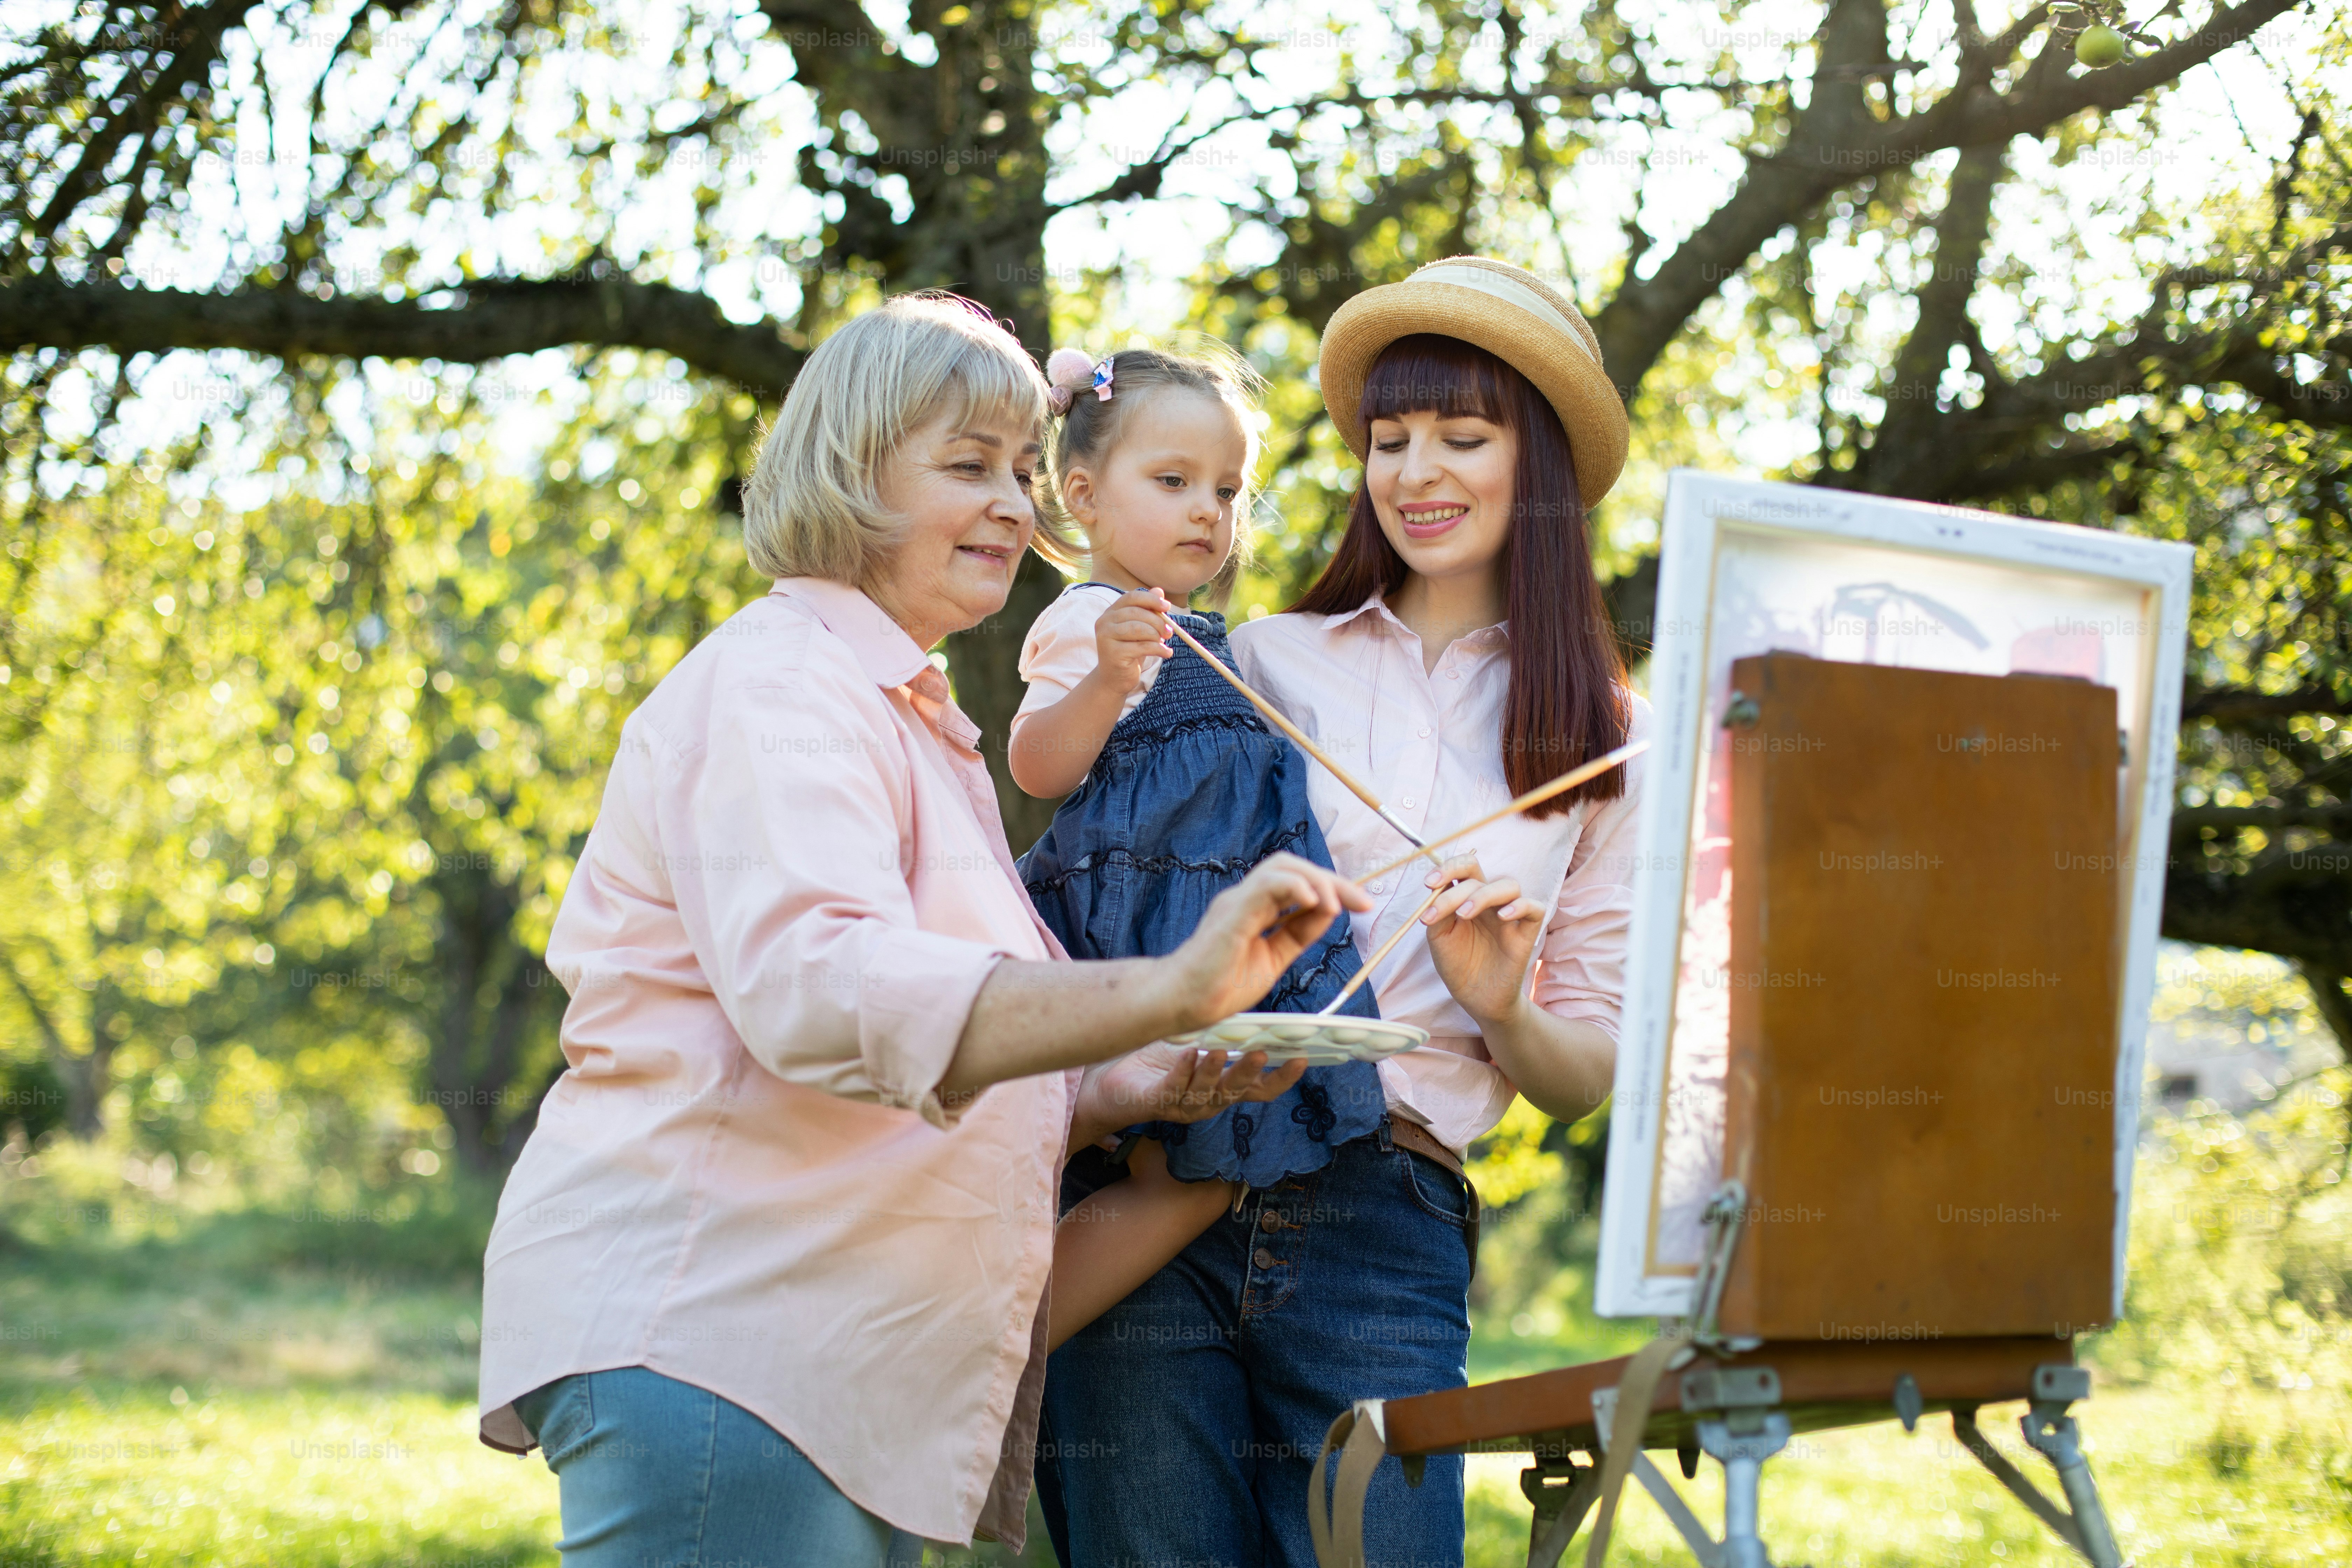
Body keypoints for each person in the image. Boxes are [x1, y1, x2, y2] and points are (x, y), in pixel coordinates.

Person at [472, 292, 1373, 1568]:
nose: (1016, 503)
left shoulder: (915, 721)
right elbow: (824, 991)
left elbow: (951, 1052)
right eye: (969, 467)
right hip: (732, 1344)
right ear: (850, 471)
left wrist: (1141, 1087)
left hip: (839, 1370)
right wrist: (1167, 987)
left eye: (1021, 469)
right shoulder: (783, 686)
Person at [1040, 257, 1654, 1568]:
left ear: (1535, 466)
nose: (1416, 471)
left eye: (1463, 437)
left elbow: (1586, 1070)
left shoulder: (1614, 747)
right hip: (1169, 1168)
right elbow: (1083, 869)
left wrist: (1501, 1004)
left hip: (1387, 1216)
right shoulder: (1253, 660)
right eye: (1390, 440)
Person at [1005, 345, 1388, 1350]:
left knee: (1191, 1173)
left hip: (1205, 933)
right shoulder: (1092, 621)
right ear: (1083, 494)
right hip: (1135, 932)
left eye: (1226, 489)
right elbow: (1037, 766)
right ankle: (995, 1345)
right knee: (1173, 1173)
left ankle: (999, 1343)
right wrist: (1100, 680)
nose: (1207, 512)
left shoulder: (1212, 634)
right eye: (1172, 483)